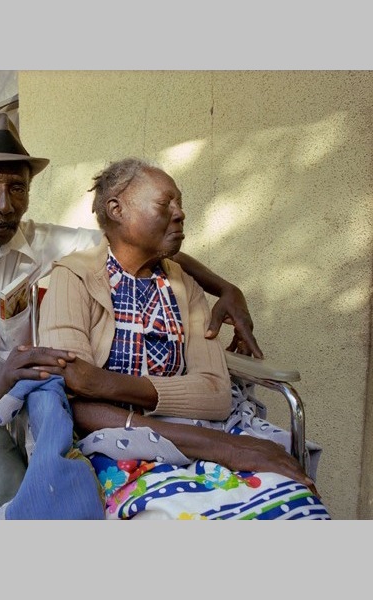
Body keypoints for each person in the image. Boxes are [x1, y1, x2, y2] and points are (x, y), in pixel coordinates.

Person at [0, 114, 265, 520]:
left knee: (84, 475)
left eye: (17, 187)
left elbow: (138, 243)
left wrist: (226, 289)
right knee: (1, 477)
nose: (3, 203)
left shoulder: (44, 242)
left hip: (33, 400)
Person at [35, 157, 330, 519]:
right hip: (114, 443)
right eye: (166, 204)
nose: (180, 214)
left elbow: (216, 395)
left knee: (295, 501)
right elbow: (77, 403)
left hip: (198, 428)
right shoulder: (74, 278)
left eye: (180, 204)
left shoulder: (182, 285)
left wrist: (104, 383)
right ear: (117, 209)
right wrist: (221, 446)